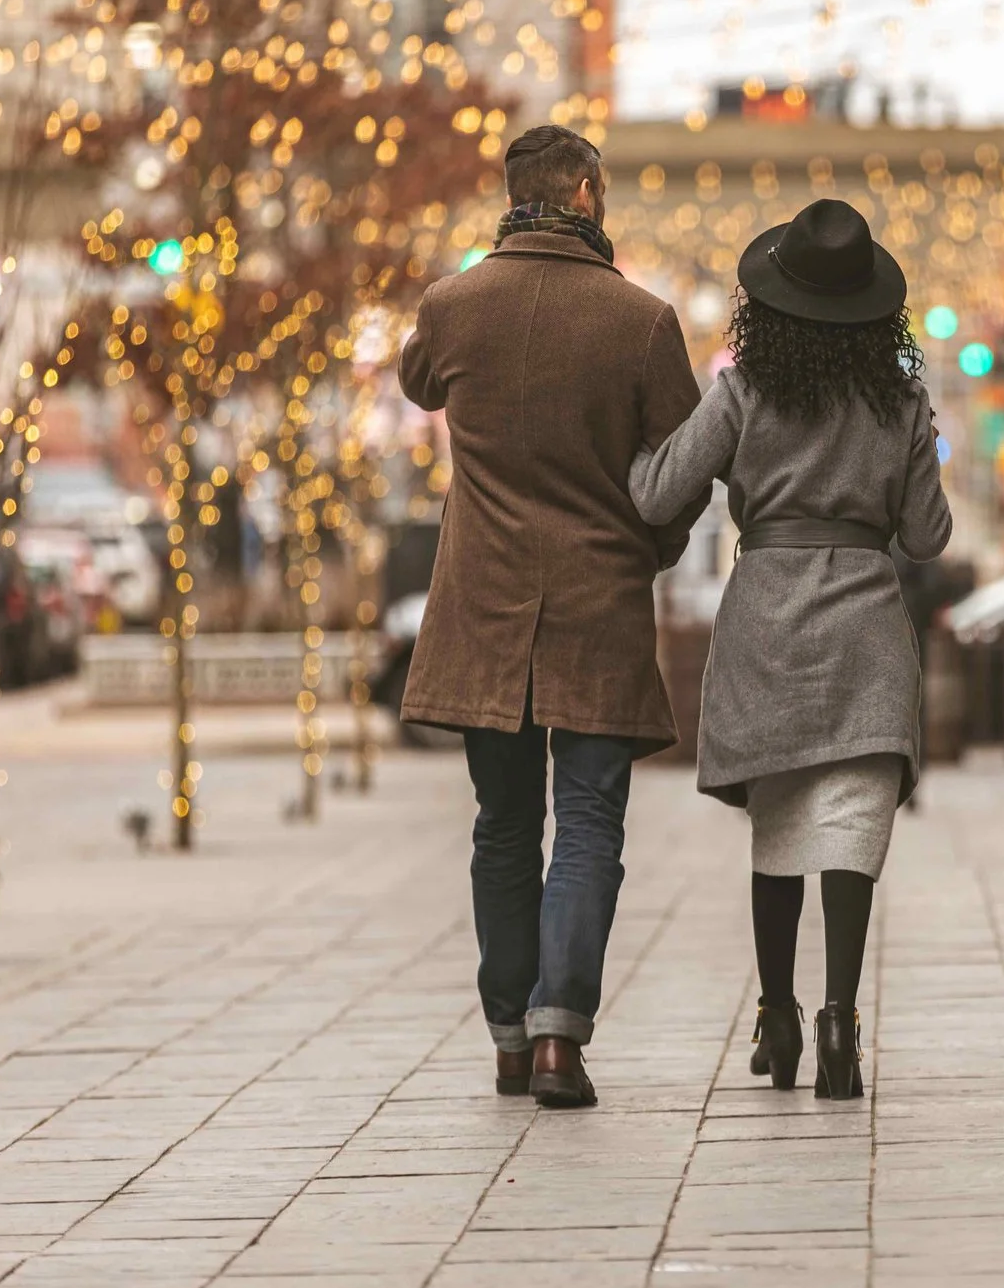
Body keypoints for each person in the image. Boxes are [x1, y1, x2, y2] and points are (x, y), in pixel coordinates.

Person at [397, 124, 702, 1109]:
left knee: (500, 824)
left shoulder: (452, 305)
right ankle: (558, 1036)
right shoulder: (642, 320)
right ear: (583, 192)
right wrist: (650, 547)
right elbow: (683, 466)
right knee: (588, 821)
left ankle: (503, 1034)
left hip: (484, 603)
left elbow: (418, 378)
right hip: (599, 598)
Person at [630, 199, 951, 1101]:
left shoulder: (742, 391)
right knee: (851, 818)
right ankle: (840, 1022)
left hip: (767, 620)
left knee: (779, 822)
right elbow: (927, 536)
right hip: (866, 630)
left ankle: (778, 1017)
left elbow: (658, 495)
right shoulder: (902, 401)